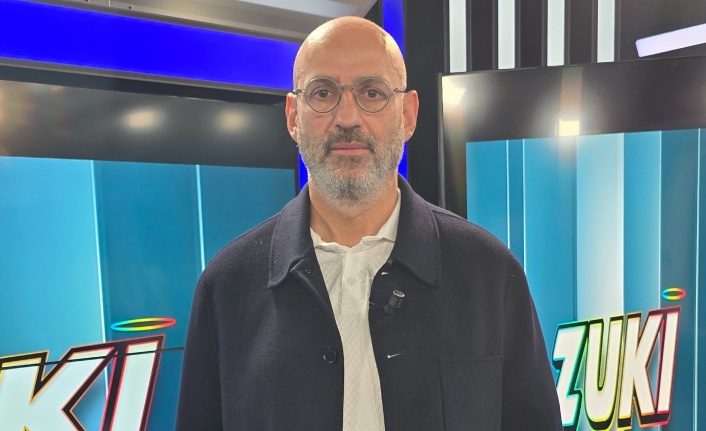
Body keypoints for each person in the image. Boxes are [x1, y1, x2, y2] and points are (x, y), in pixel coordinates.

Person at [175, 16, 562, 431]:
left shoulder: (490, 272)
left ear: (408, 114)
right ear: (292, 116)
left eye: (372, 92)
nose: (347, 117)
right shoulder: (226, 287)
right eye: (323, 93)